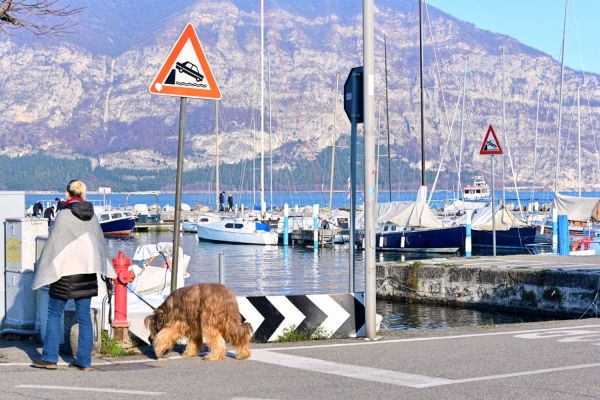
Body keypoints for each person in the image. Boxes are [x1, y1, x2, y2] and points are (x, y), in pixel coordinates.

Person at [31, 180, 116, 371]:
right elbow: (100, 245)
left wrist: (42, 269)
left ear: (67, 194)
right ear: (83, 194)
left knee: (54, 313)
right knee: (84, 316)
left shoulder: (63, 215)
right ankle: (84, 362)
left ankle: (50, 358)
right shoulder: (92, 216)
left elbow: (53, 246)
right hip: (87, 272)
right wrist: (109, 270)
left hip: (64, 273)